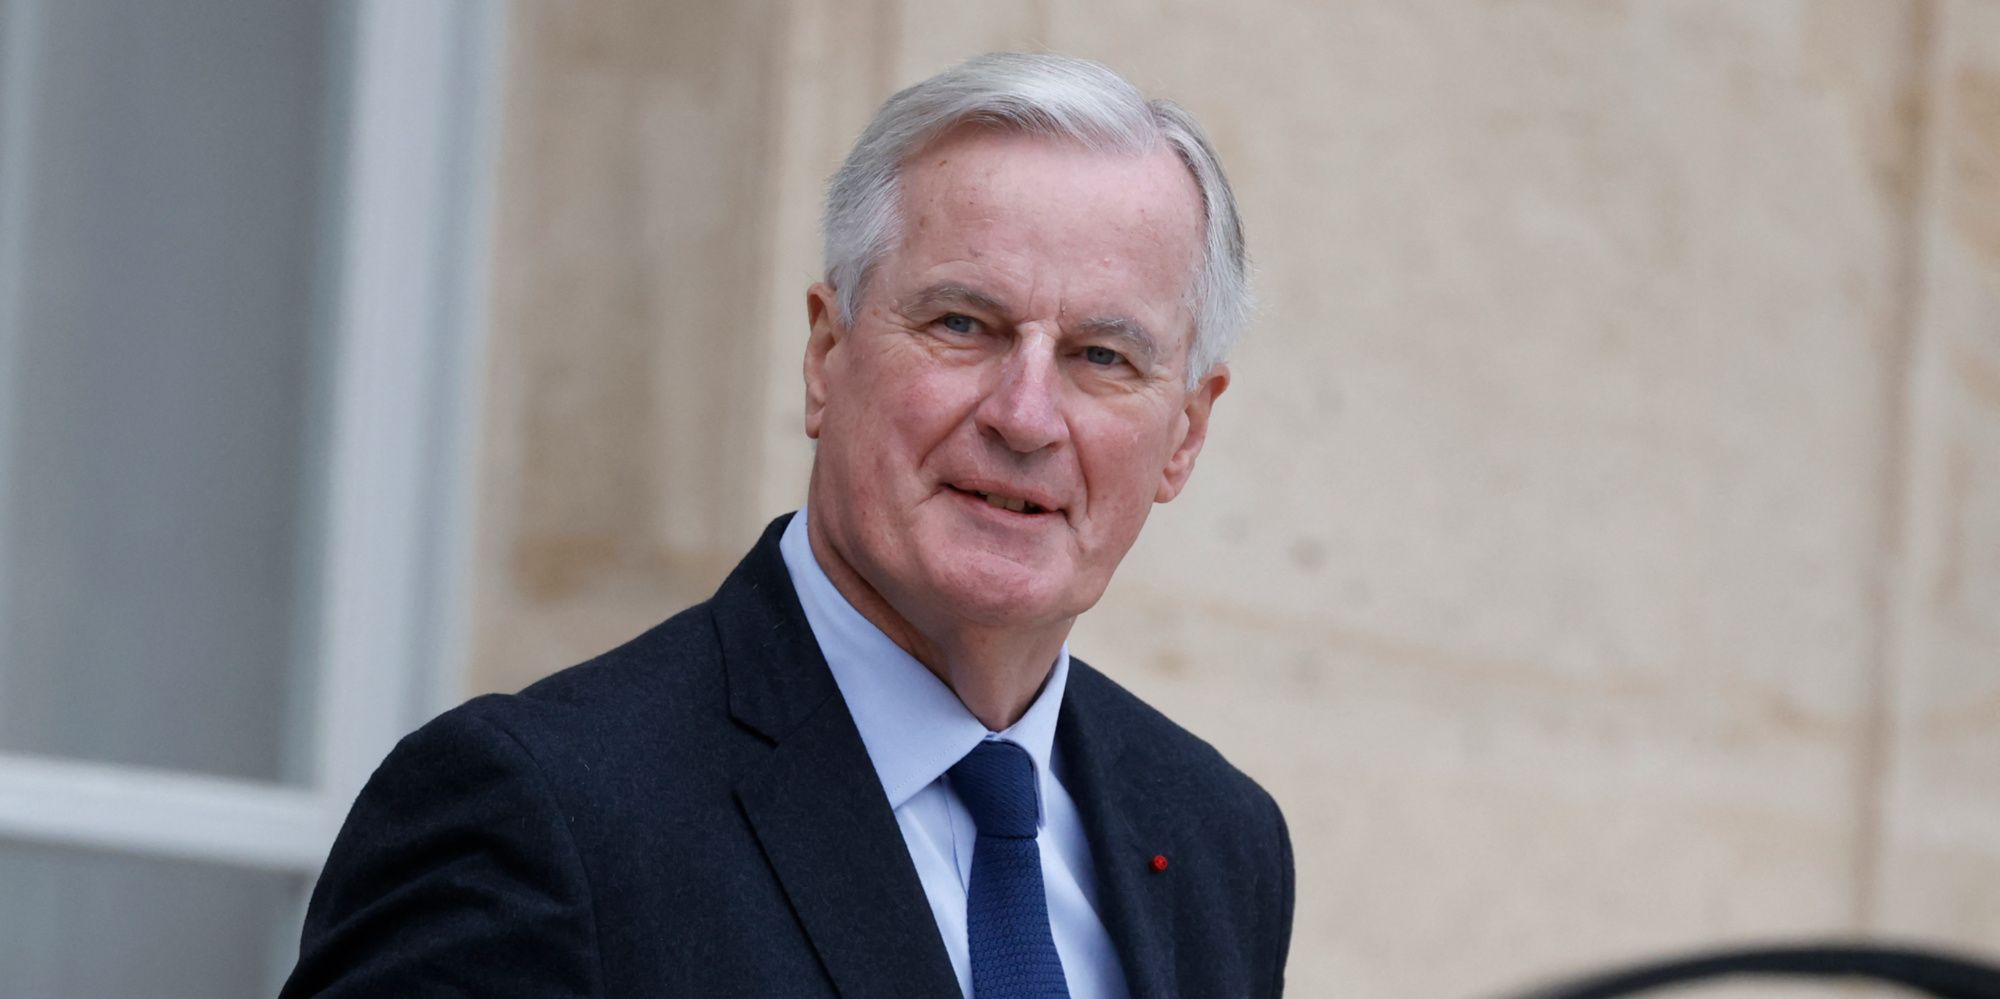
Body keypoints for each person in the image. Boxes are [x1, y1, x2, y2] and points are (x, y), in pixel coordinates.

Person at [283, 52, 1293, 999]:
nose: (1024, 417)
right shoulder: (535, 813)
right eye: (961, 325)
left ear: (1185, 434)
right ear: (824, 354)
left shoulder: (1219, 839)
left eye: (1102, 357)